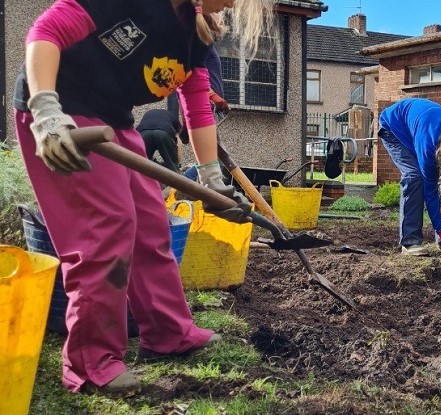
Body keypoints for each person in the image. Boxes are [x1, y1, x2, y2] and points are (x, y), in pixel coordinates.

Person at [13, 0, 273, 396]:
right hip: (62, 113)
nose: (236, 3)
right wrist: (46, 111)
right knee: (107, 227)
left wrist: (212, 178)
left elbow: (196, 102)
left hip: (113, 119)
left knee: (152, 224)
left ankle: (169, 332)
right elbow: (45, 33)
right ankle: (91, 362)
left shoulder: (197, 30)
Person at [378, 98, 441, 256]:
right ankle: (410, 242)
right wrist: (440, 230)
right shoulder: (428, 146)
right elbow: (430, 191)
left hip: (421, 125)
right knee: (414, 177)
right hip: (393, 128)